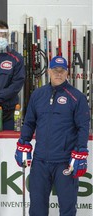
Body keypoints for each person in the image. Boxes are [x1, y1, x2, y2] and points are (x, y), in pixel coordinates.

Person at [15, 56, 90, 216]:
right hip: (40, 161)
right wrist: (23, 142)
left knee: (67, 208)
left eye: (61, 71)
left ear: (67, 73)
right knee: (37, 208)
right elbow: (29, 122)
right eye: (55, 70)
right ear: (49, 71)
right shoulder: (38, 95)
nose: (58, 74)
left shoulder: (77, 97)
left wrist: (81, 151)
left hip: (64, 163)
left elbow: (83, 127)